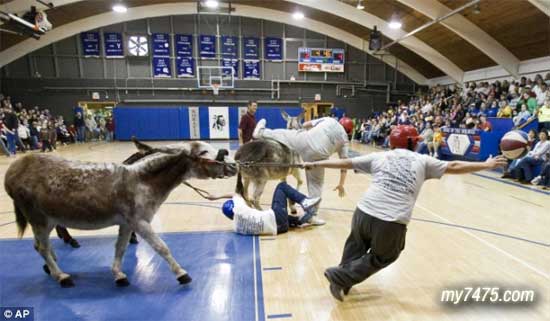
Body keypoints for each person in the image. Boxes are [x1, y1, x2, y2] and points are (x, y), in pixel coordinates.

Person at [302, 125, 507, 301]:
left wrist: (317, 163)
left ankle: (341, 282)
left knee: (356, 245)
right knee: (385, 255)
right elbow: (454, 165)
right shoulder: (423, 160)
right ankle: (340, 277)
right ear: (411, 143)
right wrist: (486, 164)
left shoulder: (380, 156)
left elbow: (346, 163)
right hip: (391, 220)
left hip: (363, 212)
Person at [253, 116, 350, 225]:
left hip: (306, 141)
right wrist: (341, 184)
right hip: (318, 157)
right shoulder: (345, 140)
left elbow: (305, 125)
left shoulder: (330, 120)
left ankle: (261, 132)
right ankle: (311, 216)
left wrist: (303, 130)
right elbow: (344, 165)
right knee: (316, 184)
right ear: (349, 131)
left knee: (286, 135)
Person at [204, 181, 321, 235]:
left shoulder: (236, 227)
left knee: (267, 216)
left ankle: (298, 221)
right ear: (234, 207)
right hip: (277, 218)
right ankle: (304, 201)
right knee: (282, 186)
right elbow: (236, 194)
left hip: (280, 229)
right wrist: (216, 197)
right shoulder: (239, 208)